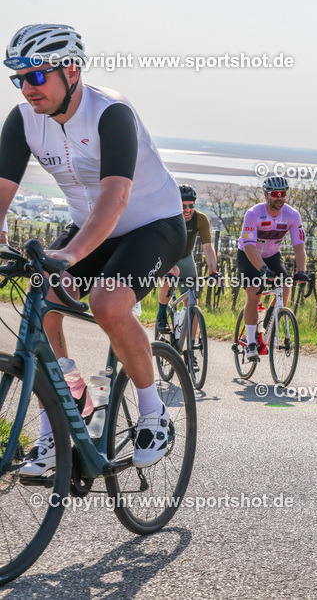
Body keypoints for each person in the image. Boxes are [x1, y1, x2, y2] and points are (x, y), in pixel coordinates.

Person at [0, 24, 185, 473]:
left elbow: (116, 197)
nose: (27, 88)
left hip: (152, 225)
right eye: (18, 77)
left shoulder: (110, 112)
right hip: (91, 227)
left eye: (38, 76)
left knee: (108, 301)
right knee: (40, 305)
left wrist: (69, 256)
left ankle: (153, 412)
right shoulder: (23, 119)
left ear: (72, 70)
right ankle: (63, 412)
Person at [237, 176, 309, 361]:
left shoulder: (293, 215)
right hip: (249, 255)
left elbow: (299, 246)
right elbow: (249, 245)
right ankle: (251, 342)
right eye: (275, 194)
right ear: (266, 194)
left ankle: (269, 322)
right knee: (254, 292)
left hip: (272, 255)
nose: (279, 197)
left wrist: (301, 270)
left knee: (285, 286)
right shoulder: (253, 214)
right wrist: (262, 269)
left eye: (283, 194)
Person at [156, 184, 220, 333]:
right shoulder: (168, 216)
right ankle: (161, 315)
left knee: (192, 304)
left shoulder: (200, 219)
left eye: (191, 205)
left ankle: (190, 353)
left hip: (185, 257)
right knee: (172, 274)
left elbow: (208, 247)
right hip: (167, 255)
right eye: (183, 206)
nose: (187, 210)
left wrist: (213, 271)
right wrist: (169, 269)